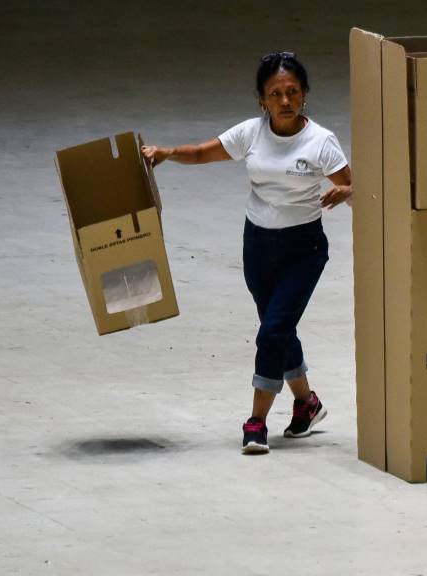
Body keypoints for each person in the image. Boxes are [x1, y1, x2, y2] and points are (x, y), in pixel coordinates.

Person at [142, 52, 352, 455]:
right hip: (257, 247)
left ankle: (256, 421)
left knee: (272, 330)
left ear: (304, 94)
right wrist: (167, 153)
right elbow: (205, 152)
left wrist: (349, 192)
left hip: (303, 248)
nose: (285, 101)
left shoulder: (321, 142)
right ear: (262, 100)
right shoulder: (252, 134)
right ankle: (307, 404)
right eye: (276, 94)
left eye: (293, 92)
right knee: (279, 329)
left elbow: (359, 187)